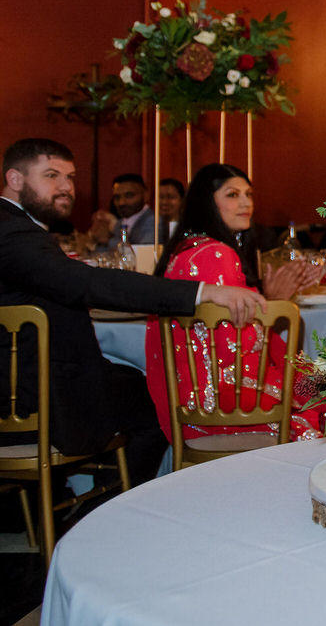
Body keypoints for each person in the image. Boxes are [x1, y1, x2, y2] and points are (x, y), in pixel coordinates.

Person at [0, 139, 263, 485]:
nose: (66, 187)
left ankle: (67, 501)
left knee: (133, 383)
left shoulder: (18, 228)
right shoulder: (13, 233)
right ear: (15, 179)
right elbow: (85, 283)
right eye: (51, 175)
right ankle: (100, 513)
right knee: (157, 405)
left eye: (70, 177)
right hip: (32, 397)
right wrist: (204, 290)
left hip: (32, 378)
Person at [143, 163, 325, 444]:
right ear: (208, 202)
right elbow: (232, 346)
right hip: (223, 402)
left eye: (248, 194)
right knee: (325, 403)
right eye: (232, 195)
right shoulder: (217, 253)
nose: (245, 203)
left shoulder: (188, 248)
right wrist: (274, 304)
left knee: (318, 387)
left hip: (191, 399)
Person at [89, 172, 155, 249]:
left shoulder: (153, 221)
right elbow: (104, 254)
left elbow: (144, 253)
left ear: (146, 195)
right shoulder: (121, 222)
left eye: (129, 196)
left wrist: (108, 240)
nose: (121, 203)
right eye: (117, 197)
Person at [158, 177, 185, 245]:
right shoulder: (153, 225)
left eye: (171, 197)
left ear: (182, 199)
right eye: (161, 197)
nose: (164, 202)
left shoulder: (186, 226)